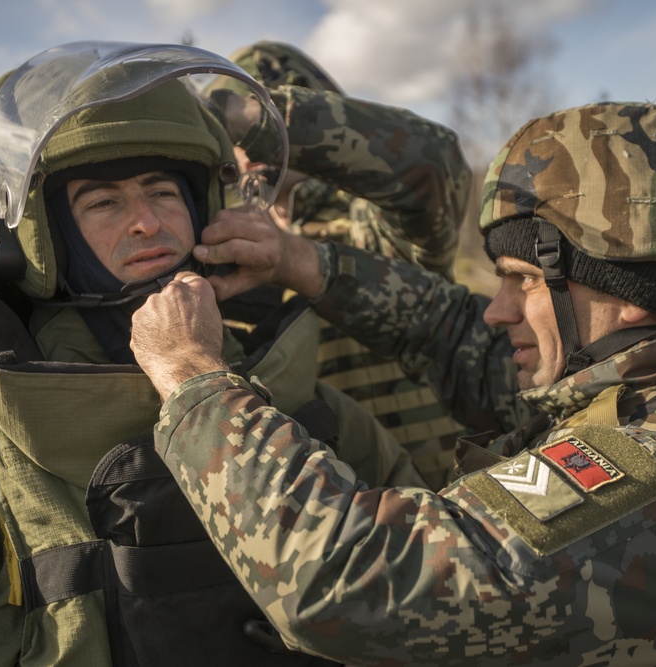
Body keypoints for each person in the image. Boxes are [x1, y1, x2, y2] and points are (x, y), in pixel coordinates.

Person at [0, 41, 426, 666]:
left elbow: (427, 600)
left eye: (162, 191)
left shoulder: (307, 408)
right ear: (36, 242)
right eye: (103, 201)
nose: (147, 222)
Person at [130, 101, 656, 665]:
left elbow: (352, 575)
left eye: (524, 279)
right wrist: (300, 260)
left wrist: (193, 376)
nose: (496, 308)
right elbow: (454, 336)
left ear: (630, 292)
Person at [207, 40, 527, 490]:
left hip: (436, 497)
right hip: (312, 516)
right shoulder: (216, 238)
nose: (249, 144)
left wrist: (252, 118)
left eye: (272, 116)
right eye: (234, 133)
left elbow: (432, 168)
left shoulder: (369, 223)